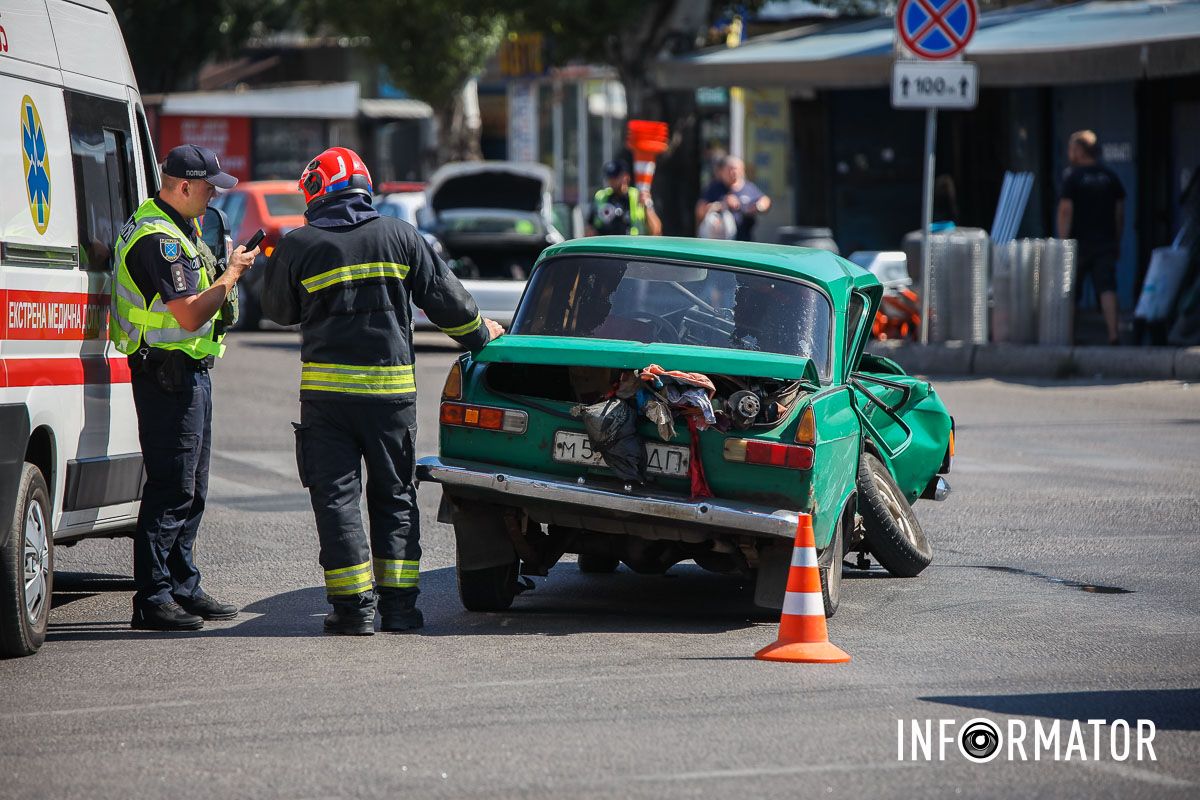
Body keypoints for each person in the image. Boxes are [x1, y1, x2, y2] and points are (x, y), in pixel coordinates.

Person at [261, 147, 504, 636]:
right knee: (395, 496)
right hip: (390, 400)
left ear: (314, 189)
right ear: (365, 186)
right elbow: (448, 303)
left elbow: (278, 311)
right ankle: (399, 610)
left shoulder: (298, 244)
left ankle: (352, 612)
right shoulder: (400, 236)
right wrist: (484, 337)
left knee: (337, 500)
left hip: (327, 404)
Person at [110, 144, 258, 631]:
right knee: (172, 488)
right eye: (210, 186)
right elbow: (190, 312)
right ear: (184, 186)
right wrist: (233, 274)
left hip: (187, 374)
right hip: (166, 376)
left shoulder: (177, 226)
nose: (215, 193)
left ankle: (182, 586)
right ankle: (152, 598)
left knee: (191, 489)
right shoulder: (160, 239)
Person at [1057, 129, 1126, 345]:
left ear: (1079, 150)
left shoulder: (1073, 177)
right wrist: (1117, 239)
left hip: (1078, 244)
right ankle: (1114, 335)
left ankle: (1068, 337)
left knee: (1071, 291)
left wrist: (1062, 242)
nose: (1069, 152)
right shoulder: (1109, 176)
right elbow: (1119, 212)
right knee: (1107, 287)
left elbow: (1065, 210)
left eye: (1071, 148)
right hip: (1105, 242)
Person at [695, 155, 772, 242]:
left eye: (736, 169)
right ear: (723, 171)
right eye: (730, 169)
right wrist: (721, 205)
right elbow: (699, 211)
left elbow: (765, 201)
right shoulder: (714, 187)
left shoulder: (749, 188)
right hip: (718, 242)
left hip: (743, 241)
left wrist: (757, 207)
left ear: (742, 171)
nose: (733, 172)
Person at [585, 159, 661, 237]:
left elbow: (656, 231)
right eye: (609, 177)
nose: (611, 180)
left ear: (626, 177)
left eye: (615, 176)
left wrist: (647, 206)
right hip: (606, 247)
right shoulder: (601, 197)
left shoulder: (638, 196)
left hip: (631, 246)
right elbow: (589, 229)